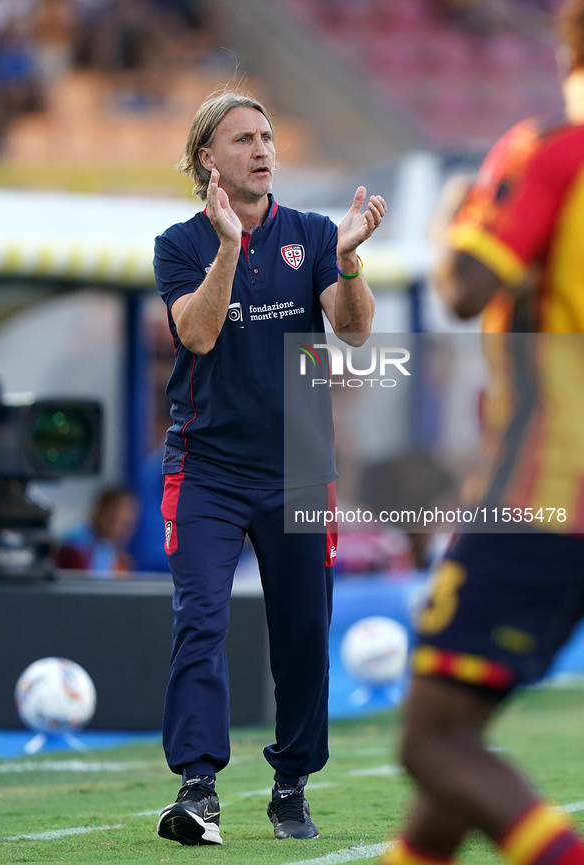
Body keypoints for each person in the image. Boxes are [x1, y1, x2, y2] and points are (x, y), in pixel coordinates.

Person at [152, 89, 386, 846]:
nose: (261, 148)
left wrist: (348, 261)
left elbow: (352, 333)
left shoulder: (315, 233)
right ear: (206, 159)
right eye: (243, 138)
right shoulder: (180, 243)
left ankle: (291, 782)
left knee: (303, 630)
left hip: (297, 469)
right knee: (201, 620)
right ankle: (198, 787)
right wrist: (227, 248)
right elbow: (197, 334)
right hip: (207, 468)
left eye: (267, 135)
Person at [379, 3, 584, 865]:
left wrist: (449, 223)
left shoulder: (552, 152)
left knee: (433, 742)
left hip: (545, 494)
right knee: (448, 770)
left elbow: (462, 288)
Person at [56, 486, 139, 575]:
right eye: (113, 518)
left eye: (126, 524)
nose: (118, 528)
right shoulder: (73, 548)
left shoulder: (116, 557)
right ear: (99, 509)